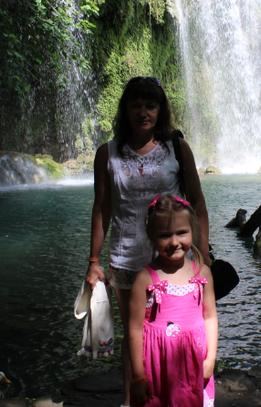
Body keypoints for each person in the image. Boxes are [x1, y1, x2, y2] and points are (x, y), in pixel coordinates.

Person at [86, 76, 209, 407]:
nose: (143, 112)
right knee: (135, 334)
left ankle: (176, 397)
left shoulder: (177, 149)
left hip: (174, 261)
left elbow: (197, 202)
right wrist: (93, 261)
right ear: (125, 109)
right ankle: (131, 401)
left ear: (160, 110)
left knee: (176, 330)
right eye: (136, 105)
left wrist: (203, 255)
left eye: (150, 105)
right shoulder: (107, 153)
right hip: (125, 259)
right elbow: (102, 209)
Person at [128, 194, 217, 407]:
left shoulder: (202, 273)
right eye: (165, 235)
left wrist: (210, 359)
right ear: (151, 236)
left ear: (193, 231)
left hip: (194, 363)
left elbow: (210, 317)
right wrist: (138, 376)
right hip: (157, 367)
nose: (174, 242)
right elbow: (135, 329)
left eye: (181, 233)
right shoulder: (145, 279)